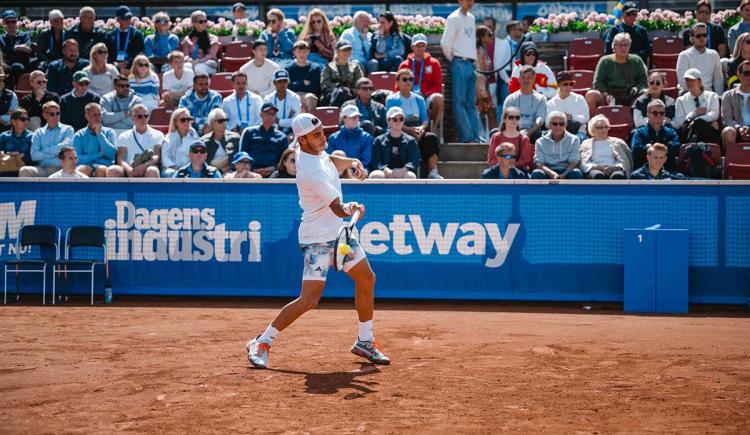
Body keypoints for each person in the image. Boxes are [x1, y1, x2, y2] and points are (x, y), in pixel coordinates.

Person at [245, 112, 387, 370]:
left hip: (340, 235)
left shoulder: (313, 151)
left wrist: (351, 162)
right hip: (317, 240)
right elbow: (337, 208)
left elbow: (329, 159)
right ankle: (262, 341)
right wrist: (351, 207)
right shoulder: (310, 172)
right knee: (309, 299)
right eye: (316, 135)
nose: (323, 138)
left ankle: (365, 341)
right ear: (301, 140)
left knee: (366, 279)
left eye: (322, 131)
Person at [385, 68, 442, 179]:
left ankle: (433, 171)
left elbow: (425, 119)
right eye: (405, 79)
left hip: (418, 129)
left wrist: (421, 128)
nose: (408, 82)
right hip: (399, 128)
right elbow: (392, 120)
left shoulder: (419, 98)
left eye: (410, 79)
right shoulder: (392, 99)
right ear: (398, 82)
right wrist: (410, 130)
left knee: (431, 138)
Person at [441, 0, 481, 143]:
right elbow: (445, 43)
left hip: (470, 63)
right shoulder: (453, 17)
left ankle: (475, 137)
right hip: (460, 62)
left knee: (471, 103)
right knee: (460, 102)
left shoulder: (471, 17)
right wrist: (454, 59)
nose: (469, 1)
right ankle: (467, 137)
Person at [586, 33, 648, 114]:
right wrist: (606, 94)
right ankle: (595, 123)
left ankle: (639, 121)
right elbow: (598, 82)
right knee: (591, 95)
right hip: (609, 95)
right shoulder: (605, 61)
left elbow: (643, 81)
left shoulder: (636, 60)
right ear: (613, 46)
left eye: (626, 45)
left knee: (647, 93)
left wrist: (637, 88)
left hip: (631, 95)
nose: (623, 48)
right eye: (620, 45)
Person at [399, 33, 444, 136]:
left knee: (438, 98)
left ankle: (433, 130)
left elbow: (438, 86)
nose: (420, 49)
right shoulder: (404, 64)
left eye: (422, 45)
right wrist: (408, 95)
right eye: (417, 46)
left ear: (426, 46)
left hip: (426, 96)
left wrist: (425, 94)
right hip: (408, 96)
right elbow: (398, 86)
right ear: (412, 47)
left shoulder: (434, 63)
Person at [20, 101, 74, 177]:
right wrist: (57, 153)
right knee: (25, 171)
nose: (55, 116)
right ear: (44, 115)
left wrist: (45, 151)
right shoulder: (38, 132)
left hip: (61, 169)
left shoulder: (68, 129)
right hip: (43, 169)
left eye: (57, 113)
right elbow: (34, 156)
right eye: (52, 114)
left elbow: (65, 147)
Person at [107, 104, 163, 178]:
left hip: (148, 166)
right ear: (133, 118)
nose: (143, 118)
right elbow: (120, 158)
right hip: (128, 168)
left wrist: (145, 165)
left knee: (152, 170)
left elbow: (157, 155)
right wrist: (128, 169)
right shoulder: (124, 135)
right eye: (140, 116)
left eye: (146, 116)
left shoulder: (158, 134)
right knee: (113, 170)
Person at [239, 102, 288, 177]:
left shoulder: (282, 137)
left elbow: (285, 159)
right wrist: (253, 169)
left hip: (274, 173)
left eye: (273, 114)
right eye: (268, 113)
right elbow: (242, 154)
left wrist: (274, 168)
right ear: (261, 115)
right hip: (250, 172)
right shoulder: (249, 132)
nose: (271, 116)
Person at [369, 106, 419, 179]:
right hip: (385, 172)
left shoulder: (411, 141)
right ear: (388, 121)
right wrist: (385, 169)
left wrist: (404, 170)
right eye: (395, 119)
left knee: (410, 176)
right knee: (376, 175)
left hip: (403, 172)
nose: (398, 122)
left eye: (401, 119)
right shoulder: (379, 140)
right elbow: (375, 160)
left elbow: (414, 160)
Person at [673, 68, 721, 144]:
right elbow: (679, 122)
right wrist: (694, 114)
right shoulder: (680, 100)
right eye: (687, 80)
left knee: (700, 124)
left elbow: (714, 114)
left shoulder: (712, 96)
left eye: (692, 80)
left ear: (699, 81)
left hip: (707, 131)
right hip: (688, 131)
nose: (689, 83)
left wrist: (696, 120)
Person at [531, 111, 583, 179]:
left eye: (561, 124)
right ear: (549, 125)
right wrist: (551, 173)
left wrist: (564, 174)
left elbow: (574, 160)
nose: (558, 126)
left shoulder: (574, 140)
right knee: (537, 173)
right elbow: (539, 162)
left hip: (566, 171)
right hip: (547, 171)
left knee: (576, 173)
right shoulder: (540, 141)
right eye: (555, 124)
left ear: (566, 125)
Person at [630, 99, 680, 169]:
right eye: (655, 113)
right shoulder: (639, 133)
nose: (659, 115)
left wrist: (649, 147)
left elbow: (676, 148)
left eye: (662, 113)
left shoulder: (671, 132)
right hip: (644, 174)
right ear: (648, 114)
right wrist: (663, 147)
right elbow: (636, 151)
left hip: (668, 173)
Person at [503, 65, 546, 143]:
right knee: (495, 133)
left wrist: (529, 132)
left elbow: (540, 119)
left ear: (534, 79)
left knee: (542, 136)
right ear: (519, 79)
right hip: (513, 129)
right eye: (523, 78)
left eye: (529, 78)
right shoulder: (510, 98)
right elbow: (506, 119)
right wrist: (517, 132)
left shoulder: (541, 98)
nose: (526, 80)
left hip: (533, 131)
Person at [579, 115, 632, 179]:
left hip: (614, 168)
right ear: (592, 129)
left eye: (606, 127)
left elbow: (624, 160)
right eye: (600, 127)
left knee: (618, 176)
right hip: (595, 169)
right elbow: (584, 162)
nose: (604, 130)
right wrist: (600, 168)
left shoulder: (618, 142)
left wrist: (615, 168)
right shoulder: (586, 144)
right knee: (598, 175)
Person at [676, 23, 724, 95]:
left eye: (704, 35)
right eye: (698, 36)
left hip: (709, 96)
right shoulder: (684, 55)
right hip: (690, 95)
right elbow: (682, 81)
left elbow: (718, 80)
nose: (702, 38)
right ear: (692, 37)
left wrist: (719, 98)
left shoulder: (714, 54)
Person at [71, 102, 116, 177]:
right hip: (86, 165)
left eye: (99, 114)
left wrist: (99, 134)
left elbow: (112, 154)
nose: (98, 117)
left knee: (101, 169)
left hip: (104, 165)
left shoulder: (109, 132)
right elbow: (77, 159)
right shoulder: (78, 135)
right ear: (87, 116)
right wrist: (99, 154)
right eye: (95, 115)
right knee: (83, 169)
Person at [546, 71, 589, 142]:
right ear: (559, 85)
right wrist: (559, 119)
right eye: (565, 84)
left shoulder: (579, 98)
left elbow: (586, 118)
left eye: (571, 84)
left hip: (578, 132)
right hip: (557, 134)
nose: (569, 86)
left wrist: (572, 117)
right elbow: (547, 123)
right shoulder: (551, 103)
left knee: (576, 140)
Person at [326, 105, 373, 169]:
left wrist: (351, 169)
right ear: (344, 118)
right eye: (352, 117)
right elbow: (330, 159)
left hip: (359, 171)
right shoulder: (333, 138)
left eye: (357, 117)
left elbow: (365, 160)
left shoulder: (367, 137)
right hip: (339, 171)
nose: (356, 119)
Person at [487, 106, 533, 172]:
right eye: (511, 117)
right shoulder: (496, 137)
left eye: (517, 118)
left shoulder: (524, 139)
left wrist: (509, 167)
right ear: (504, 119)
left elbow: (524, 160)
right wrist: (503, 168)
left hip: (517, 172)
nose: (514, 120)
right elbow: (491, 159)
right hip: (498, 172)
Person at [321, 41, 365, 107]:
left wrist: (350, 90)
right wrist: (340, 88)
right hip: (332, 95)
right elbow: (325, 84)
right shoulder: (329, 67)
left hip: (351, 95)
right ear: (337, 52)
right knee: (340, 93)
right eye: (344, 50)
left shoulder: (355, 67)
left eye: (348, 50)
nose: (347, 52)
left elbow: (360, 84)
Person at [493, 21, 525, 113]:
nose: (521, 32)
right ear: (512, 30)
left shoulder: (514, 43)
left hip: (512, 76)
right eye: (519, 29)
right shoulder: (505, 43)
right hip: (506, 77)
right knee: (504, 106)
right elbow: (498, 65)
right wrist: (507, 80)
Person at [161, 107, 200, 177]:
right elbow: (165, 158)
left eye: (188, 119)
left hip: (190, 169)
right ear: (175, 122)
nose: (186, 122)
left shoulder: (194, 136)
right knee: (171, 173)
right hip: (172, 169)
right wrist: (176, 168)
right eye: (183, 120)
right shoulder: (168, 138)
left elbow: (198, 155)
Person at [180, 10, 220, 76]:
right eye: (201, 22)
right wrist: (191, 60)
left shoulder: (213, 38)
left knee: (199, 68)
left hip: (209, 63)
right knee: (186, 67)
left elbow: (211, 55)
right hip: (192, 61)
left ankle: (205, 86)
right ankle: (190, 86)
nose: (204, 23)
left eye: (205, 21)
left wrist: (199, 61)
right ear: (194, 23)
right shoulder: (188, 39)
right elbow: (186, 55)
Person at [721, 60, 750, 151]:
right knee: (728, 131)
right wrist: (739, 128)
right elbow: (727, 119)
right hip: (736, 131)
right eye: (746, 73)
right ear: (738, 74)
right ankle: (731, 162)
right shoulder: (728, 95)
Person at [105, 6, 145, 71]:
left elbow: (139, 52)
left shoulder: (136, 34)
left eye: (129, 18)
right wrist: (114, 63)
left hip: (132, 67)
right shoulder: (110, 35)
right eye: (125, 18)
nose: (128, 21)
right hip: (113, 67)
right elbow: (107, 53)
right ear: (118, 19)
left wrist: (127, 62)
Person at [287, 41, 322, 113]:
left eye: (304, 51)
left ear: (308, 52)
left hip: (309, 95)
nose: (302, 54)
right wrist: (302, 83)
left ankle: (311, 121)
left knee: (310, 97)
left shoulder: (315, 68)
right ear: (294, 52)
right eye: (299, 52)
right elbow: (288, 87)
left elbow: (314, 88)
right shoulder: (288, 68)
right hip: (294, 95)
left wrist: (295, 84)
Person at [201, 107, 240, 172]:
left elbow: (238, 159)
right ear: (212, 123)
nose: (224, 123)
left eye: (226, 120)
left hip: (229, 172)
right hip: (209, 173)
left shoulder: (235, 138)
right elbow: (201, 162)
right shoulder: (203, 141)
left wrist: (223, 170)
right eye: (220, 121)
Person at [0, 10, 33, 83]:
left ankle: (17, 89)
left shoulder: (24, 35)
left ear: (16, 22)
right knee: (5, 69)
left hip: (20, 61)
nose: (11, 24)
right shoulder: (1, 38)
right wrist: (17, 47)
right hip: (5, 62)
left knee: (17, 67)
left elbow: (28, 49)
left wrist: (13, 48)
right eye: (8, 22)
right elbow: (2, 52)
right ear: (4, 23)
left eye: (13, 22)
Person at [264, 70, 301, 134]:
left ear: (288, 82)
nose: (282, 84)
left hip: (291, 131)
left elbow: (296, 121)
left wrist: (278, 121)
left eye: (285, 81)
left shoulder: (295, 97)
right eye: (279, 81)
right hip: (273, 130)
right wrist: (285, 122)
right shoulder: (268, 99)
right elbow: (268, 120)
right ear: (274, 83)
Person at [476, 26, 497, 133]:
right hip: (480, 85)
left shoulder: (483, 49)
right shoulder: (479, 51)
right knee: (487, 111)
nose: (491, 36)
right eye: (489, 34)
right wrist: (482, 91)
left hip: (484, 84)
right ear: (481, 37)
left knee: (488, 112)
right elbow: (479, 71)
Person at [0, 68, 19, 133]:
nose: (2, 82)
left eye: (3, 80)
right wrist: (5, 114)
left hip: (5, 131)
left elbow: (13, 117)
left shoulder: (11, 95)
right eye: (0, 80)